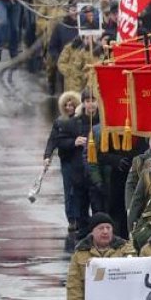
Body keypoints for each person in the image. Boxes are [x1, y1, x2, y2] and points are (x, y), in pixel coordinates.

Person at [67, 213, 136, 300]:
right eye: (101, 228)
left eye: (108, 228)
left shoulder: (126, 251)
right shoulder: (80, 254)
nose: (105, 231)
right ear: (92, 231)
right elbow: (74, 291)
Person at [43, 91, 91, 239]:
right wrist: (47, 156)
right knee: (69, 190)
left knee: (82, 190)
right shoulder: (60, 122)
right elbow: (54, 140)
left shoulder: (84, 120)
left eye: (72, 105)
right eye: (66, 105)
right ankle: (72, 219)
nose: (69, 107)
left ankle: (82, 217)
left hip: (82, 160)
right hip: (68, 160)